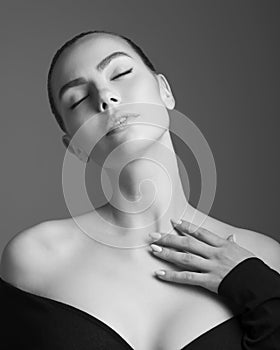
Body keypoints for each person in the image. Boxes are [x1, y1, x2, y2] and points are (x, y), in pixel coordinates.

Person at [0, 30, 280, 349]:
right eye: (77, 99)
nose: (104, 97)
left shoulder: (263, 259)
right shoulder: (35, 259)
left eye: (120, 73)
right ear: (75, 147)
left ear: (165, 91)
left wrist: (249, 281)